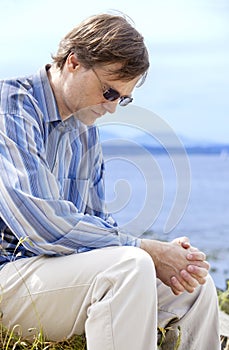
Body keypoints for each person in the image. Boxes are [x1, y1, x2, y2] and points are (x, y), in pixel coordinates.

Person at [0, 13, 220, 350]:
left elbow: (99, 224)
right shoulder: (10, 108)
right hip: (8, 276)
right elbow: (38, 225)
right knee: (129, 267)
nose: (113, 108)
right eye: (108, 91)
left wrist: (166, 257)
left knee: (193, 285)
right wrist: (145, 249)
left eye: (123, 98)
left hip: (53, 278)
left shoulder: (84, 131)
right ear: (74, 62)